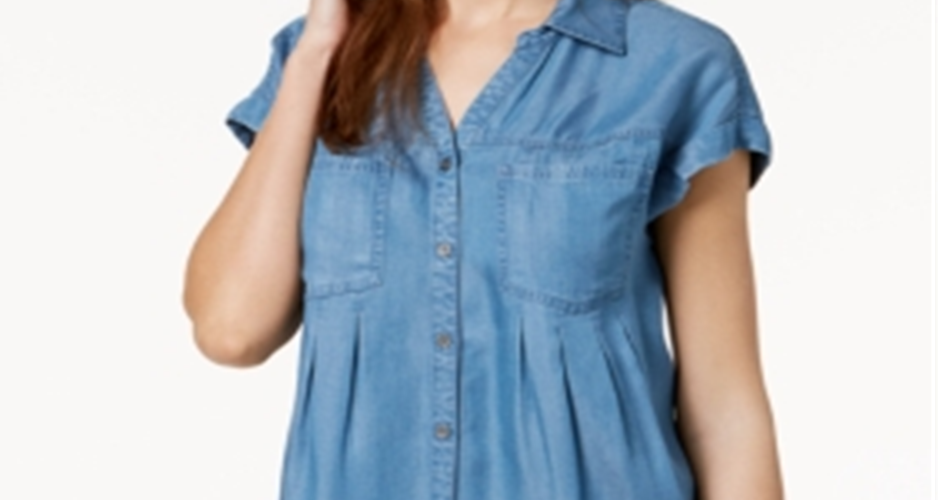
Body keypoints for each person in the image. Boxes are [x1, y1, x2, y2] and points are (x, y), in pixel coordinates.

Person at [182, 0, 786, 498]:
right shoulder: (317, 54)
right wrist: (318, 49)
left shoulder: (673, 64)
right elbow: (231, 330)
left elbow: (724, 409)